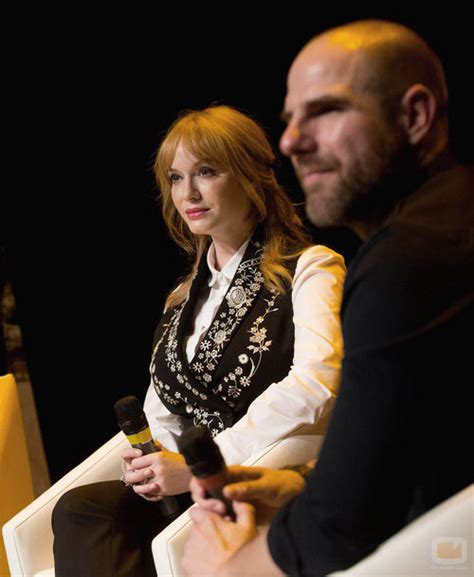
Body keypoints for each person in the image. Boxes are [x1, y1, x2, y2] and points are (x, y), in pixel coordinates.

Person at [181, 20, 474, 577]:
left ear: (415, 116)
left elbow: (341, 529)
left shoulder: (409, 260)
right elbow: (419, 440)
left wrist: (233, 565)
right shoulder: (440, 224)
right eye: (290, 118)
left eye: (326, 111)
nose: (290, 140)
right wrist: (303, 480)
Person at [51, 105, 346, 576]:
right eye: (175, 178)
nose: (187, 192)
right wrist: (158, 466)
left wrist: (204, 464)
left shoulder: (309, 267)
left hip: (257, 470)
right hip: (182, 481)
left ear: (251, 176)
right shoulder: (182, 298)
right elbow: (160, 407)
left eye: (206, 172)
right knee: (82, 508)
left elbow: (317, 383)